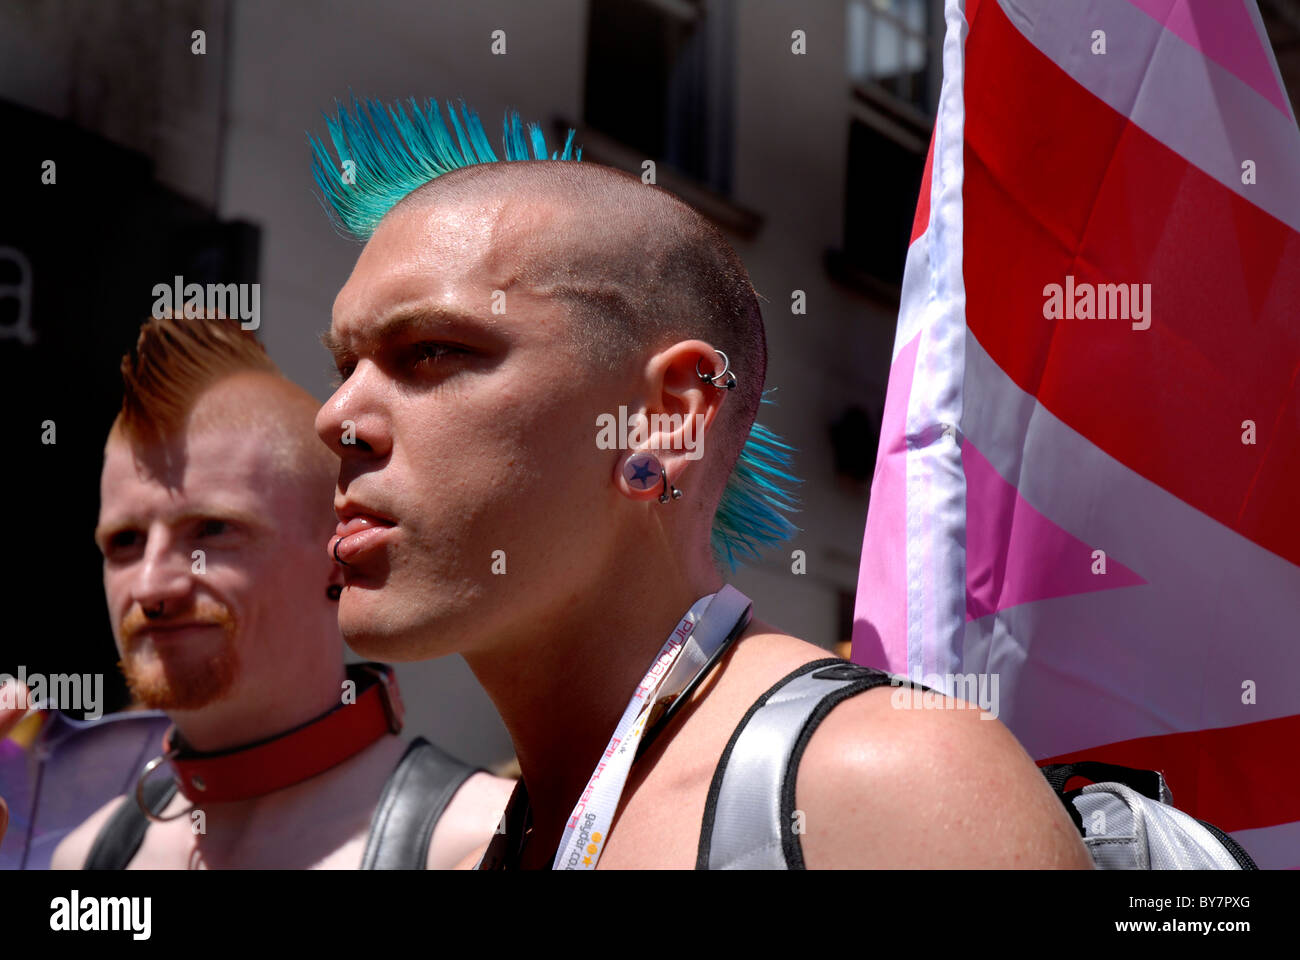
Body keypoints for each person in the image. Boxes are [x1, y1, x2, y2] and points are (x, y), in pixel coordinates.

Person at [310, 98, 1093, 869]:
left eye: (432, 350)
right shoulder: (489, 848)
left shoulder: (881, 790)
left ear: (667, 416)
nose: (337, 417)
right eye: (345, 367)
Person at [50, 313, 513, 869]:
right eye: (124, 541)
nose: (152, 587)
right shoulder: (87, 860)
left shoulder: (487, 843)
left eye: (213, 530)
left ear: (338, 555)